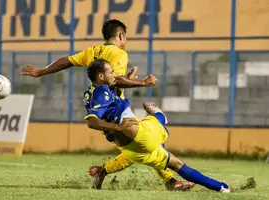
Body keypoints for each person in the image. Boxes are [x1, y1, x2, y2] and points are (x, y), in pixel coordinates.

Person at [21, 19, 194, 191]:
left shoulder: (93, 51)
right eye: (125, 38)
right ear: (120, 35)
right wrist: (143, 83)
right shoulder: (119, 53)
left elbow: (66, 61)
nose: (125, 42)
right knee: (145, 147)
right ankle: (168, 181)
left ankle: (163, 180)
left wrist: (42, 71)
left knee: (142, 149)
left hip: (104, 110)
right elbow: (116, 81)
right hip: (117, 111)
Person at [83, 59, 231, 193]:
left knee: (176, 164)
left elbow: (114, 89)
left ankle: (220, 187)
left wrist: (131, 80)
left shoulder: (92, 92)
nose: (114, 74)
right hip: (141, 136)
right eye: (111, 71)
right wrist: (118, 127)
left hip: (130, 150)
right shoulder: (101, 94)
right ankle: (159, 115)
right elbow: (91, 121)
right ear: (101, 76)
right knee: (157, 117)